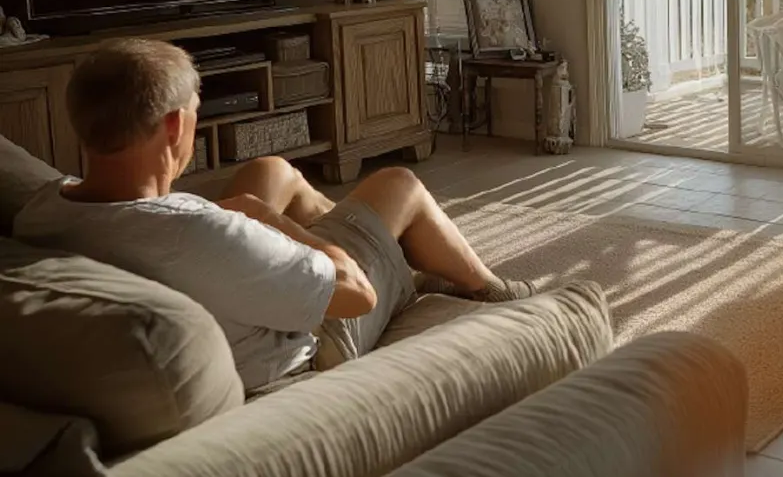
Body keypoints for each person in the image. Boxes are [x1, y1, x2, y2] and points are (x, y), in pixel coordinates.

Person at [13, 38, 552, 392]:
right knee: (398, 184)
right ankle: (488, 288)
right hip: (315, 343)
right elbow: (353, 293)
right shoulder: (202, 234)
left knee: (271, 170)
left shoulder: (43, 207)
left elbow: (192, 234)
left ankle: (390, 252)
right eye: (197, 121)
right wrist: (270, 225)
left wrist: (256, 219)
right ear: (176, 127)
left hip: (231, 282)